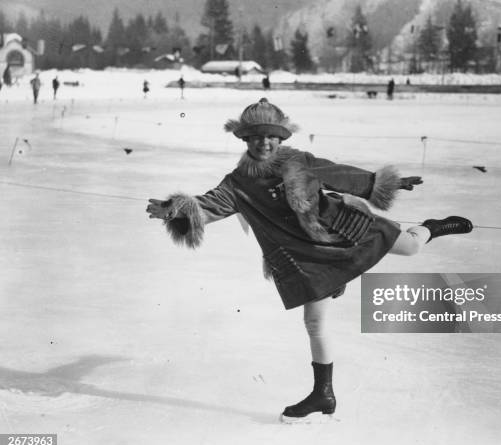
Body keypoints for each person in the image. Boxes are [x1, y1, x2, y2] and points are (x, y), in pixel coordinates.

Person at [146, 98, 473, 423]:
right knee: (314, 323)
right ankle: (323, 394)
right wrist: (175, 208)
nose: (265, 142)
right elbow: (209, 205)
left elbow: (339, 175)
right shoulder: (237, 184)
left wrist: (385, 183)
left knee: (411, 248)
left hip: (343, 229)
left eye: (271, 136)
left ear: (281, 138)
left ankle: (432, 228)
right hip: (306, 260)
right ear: (245, 139)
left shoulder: (298, 161)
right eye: (257, 137)